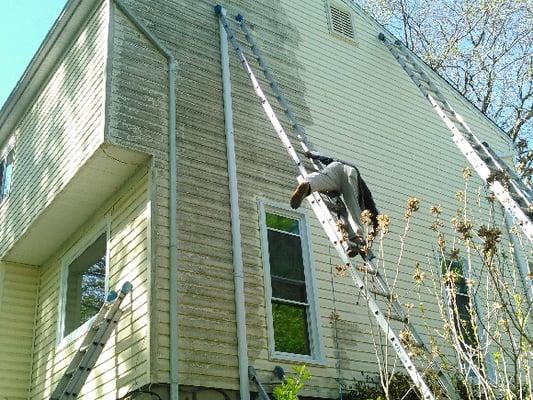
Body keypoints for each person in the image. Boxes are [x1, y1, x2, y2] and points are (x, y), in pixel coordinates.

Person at [290, 151, 379, 255]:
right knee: (352, 207)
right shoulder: (364, 193)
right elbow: (370, 204)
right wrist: (375, 224)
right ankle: (356, 237)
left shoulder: (337, 162)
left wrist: (314, 155)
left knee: (321, 178)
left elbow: (327, 159)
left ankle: (308, 184)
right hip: (351, 172)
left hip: (335, 167)